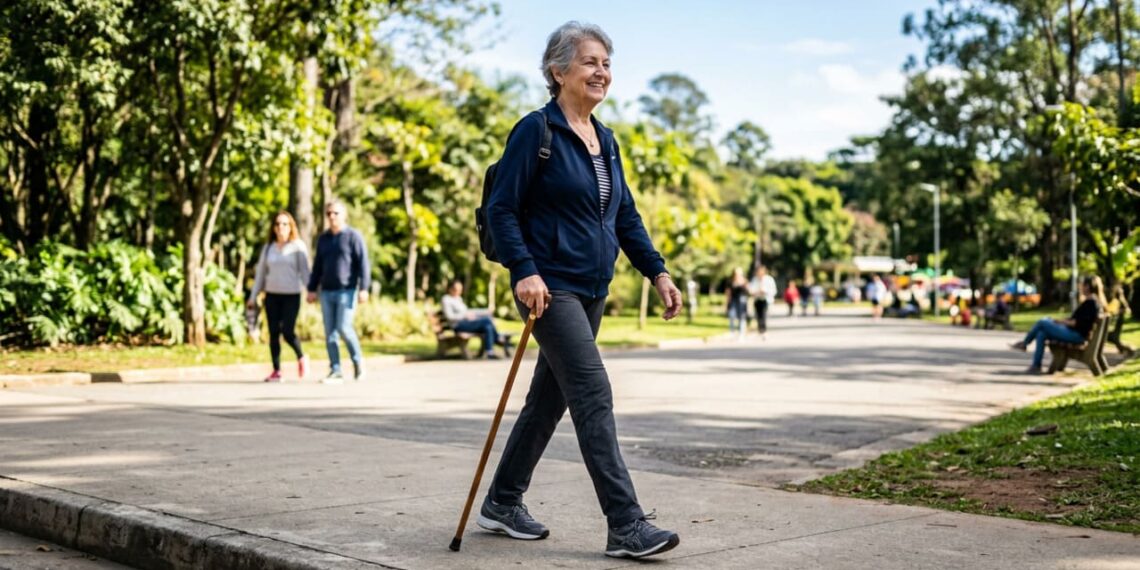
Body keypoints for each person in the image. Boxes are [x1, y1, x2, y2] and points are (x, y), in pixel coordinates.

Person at [481, 21, 684, 560]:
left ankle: (502, 500)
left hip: (593, 288)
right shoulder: (536, 131)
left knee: (548, 401)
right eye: (591, 62)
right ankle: (626, 524)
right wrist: (524, 270)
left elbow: (625, 217)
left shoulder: (606, 139)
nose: (602, 72)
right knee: (593, 395)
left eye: (607, 64)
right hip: (550, 289)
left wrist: (657, 272)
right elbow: (501, 208)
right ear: (558, 71)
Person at [306, 200, 370, 384]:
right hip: (327, 291)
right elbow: (317, 265)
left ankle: (358, 362)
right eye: (329, 214)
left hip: (347, 290)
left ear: (344, 215)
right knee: (330, 332)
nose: (332, 217)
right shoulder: (324, 239)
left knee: (344, 327)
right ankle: (335, 370)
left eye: (335, 213)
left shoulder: (353, 236)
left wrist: (364, 288)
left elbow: (363, 264)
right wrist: (312, 288)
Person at [247, 211, 311, 382]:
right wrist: (253, 297)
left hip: (292, 295)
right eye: (277, 224)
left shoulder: (298, 246)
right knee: (274, 332)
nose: (281, 227)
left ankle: (301, 356)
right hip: (272, 295)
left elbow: (305, 272)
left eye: (284, 224)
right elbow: (260, 274)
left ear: (291, 227)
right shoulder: (269, 248)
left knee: (287, 331)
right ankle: (277, 370)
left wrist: (311, 291)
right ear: (273, 228)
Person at [1010, 275, 1106, 374]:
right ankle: (1036, 365)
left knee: (1043, 322)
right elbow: (1076, 320)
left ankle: (1025, 344)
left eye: (1082, 285)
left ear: (1088, 287)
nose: (1080, 287)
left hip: (1077, 336)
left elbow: (1077, 323)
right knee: (1041, 333)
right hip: (1077, 334)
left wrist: (1060, 322)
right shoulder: (1093, 302)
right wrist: (1059, 321)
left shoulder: (1091, 303)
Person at [442, 279, 504, 359]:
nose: (459, 292)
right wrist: (465, 316)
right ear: (450, 289)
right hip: (458, 325)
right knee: (487, 320)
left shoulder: (458, 299)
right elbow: (449, 316)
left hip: (466, 323)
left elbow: (467, 311)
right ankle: (498, 338)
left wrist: (484, 311)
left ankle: (490, 353)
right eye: (456, 290)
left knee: (487, 326)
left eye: (460, 290)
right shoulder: (446, 299)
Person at [749, 265, 777, 336]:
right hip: (757, 299)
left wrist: (765, 291)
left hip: (765, 300)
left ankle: (763, 330)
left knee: (764, 315)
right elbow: (751, 289)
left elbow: (773, 290)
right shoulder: (755, 279)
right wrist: (756, 292)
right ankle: (760, 329)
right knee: (758, 315)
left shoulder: (769, 279)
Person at [725, 267, 749, 339]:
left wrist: (743, 284)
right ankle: (732, 331)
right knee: (731, 315)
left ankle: (741, 332)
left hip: (742, 300)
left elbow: (748, 292)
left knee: (741, 316)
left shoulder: (744, 281)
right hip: (733, 300)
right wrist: (727, 303)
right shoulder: (730, 282)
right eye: (736, 273)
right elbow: (728, 293)